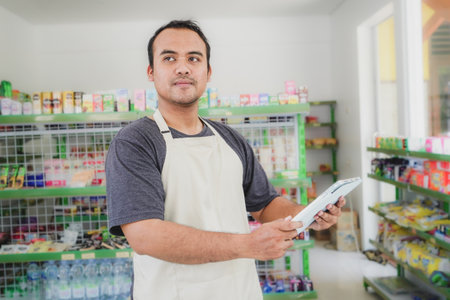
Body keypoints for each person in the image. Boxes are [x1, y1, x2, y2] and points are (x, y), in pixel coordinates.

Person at [106, 20, 346, 300]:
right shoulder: (135, 142)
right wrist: (246, 245)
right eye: (169, 58)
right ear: (151, 71)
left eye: (193, 58)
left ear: (207, 72)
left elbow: (266, 204)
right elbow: (145, 235)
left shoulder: (229, 138)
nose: (183, 67)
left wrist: (308, 214)